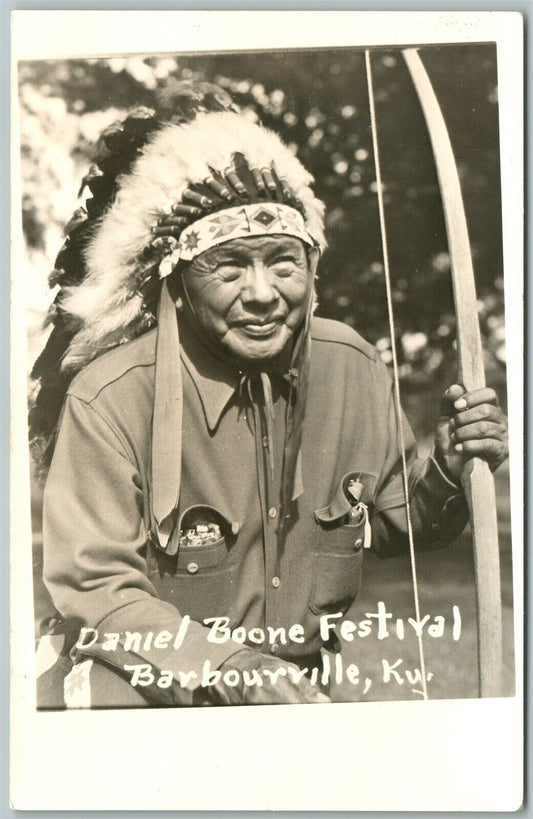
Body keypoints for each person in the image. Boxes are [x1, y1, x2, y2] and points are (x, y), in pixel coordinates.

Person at [31, 83, 508, 708]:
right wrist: (227, 666)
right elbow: (97, 588)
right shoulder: (111, 397)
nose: (262, 293)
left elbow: (388, 528)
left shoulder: (352, 367)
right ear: (177, 282)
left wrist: (447, 467)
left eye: (284, 263)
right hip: (140, 697)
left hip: (291, 700)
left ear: (312, 269)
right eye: (228, 269)